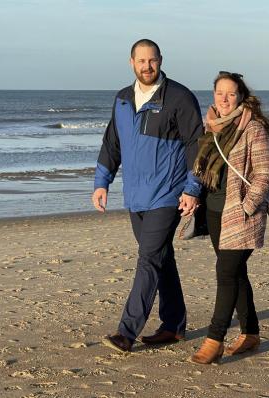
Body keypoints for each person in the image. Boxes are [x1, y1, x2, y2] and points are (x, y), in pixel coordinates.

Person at [92, 39, 203, 352]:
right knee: (161, 259)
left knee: (148, 259)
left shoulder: (179, 97)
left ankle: (126, 332)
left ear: (161, 60)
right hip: (135, 196)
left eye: (152, 60)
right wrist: (102, 182)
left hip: (168, 195)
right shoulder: (123, 99)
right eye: (141, 61)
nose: (147, 66)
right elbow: (112, 143)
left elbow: (198, 146)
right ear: (131, 63)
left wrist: (192, 188)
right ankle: (174, 325)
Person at [190, 72, 269, 364]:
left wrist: (246, 207)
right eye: (219, 93)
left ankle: (214, 339)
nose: (224, 100)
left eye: (230, 94)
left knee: (226, 274)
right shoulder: (212, 125)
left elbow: (264, 175)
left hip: (240, 214)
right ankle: (250, 332)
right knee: (235, 273)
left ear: (241, 96)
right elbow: (202, 168)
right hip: (214, 211)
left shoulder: (254, 128)